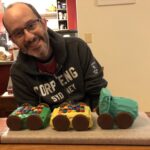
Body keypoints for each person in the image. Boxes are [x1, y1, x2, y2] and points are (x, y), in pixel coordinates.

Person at [2, 2, 107, 111]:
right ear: (13, 40)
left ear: (43, 23)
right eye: (18, 33)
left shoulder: (77, 48)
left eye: (31, 25)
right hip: (49, 127)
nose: (29, 37)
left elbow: (98, 94)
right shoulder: (18, 72)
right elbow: (30, 116)